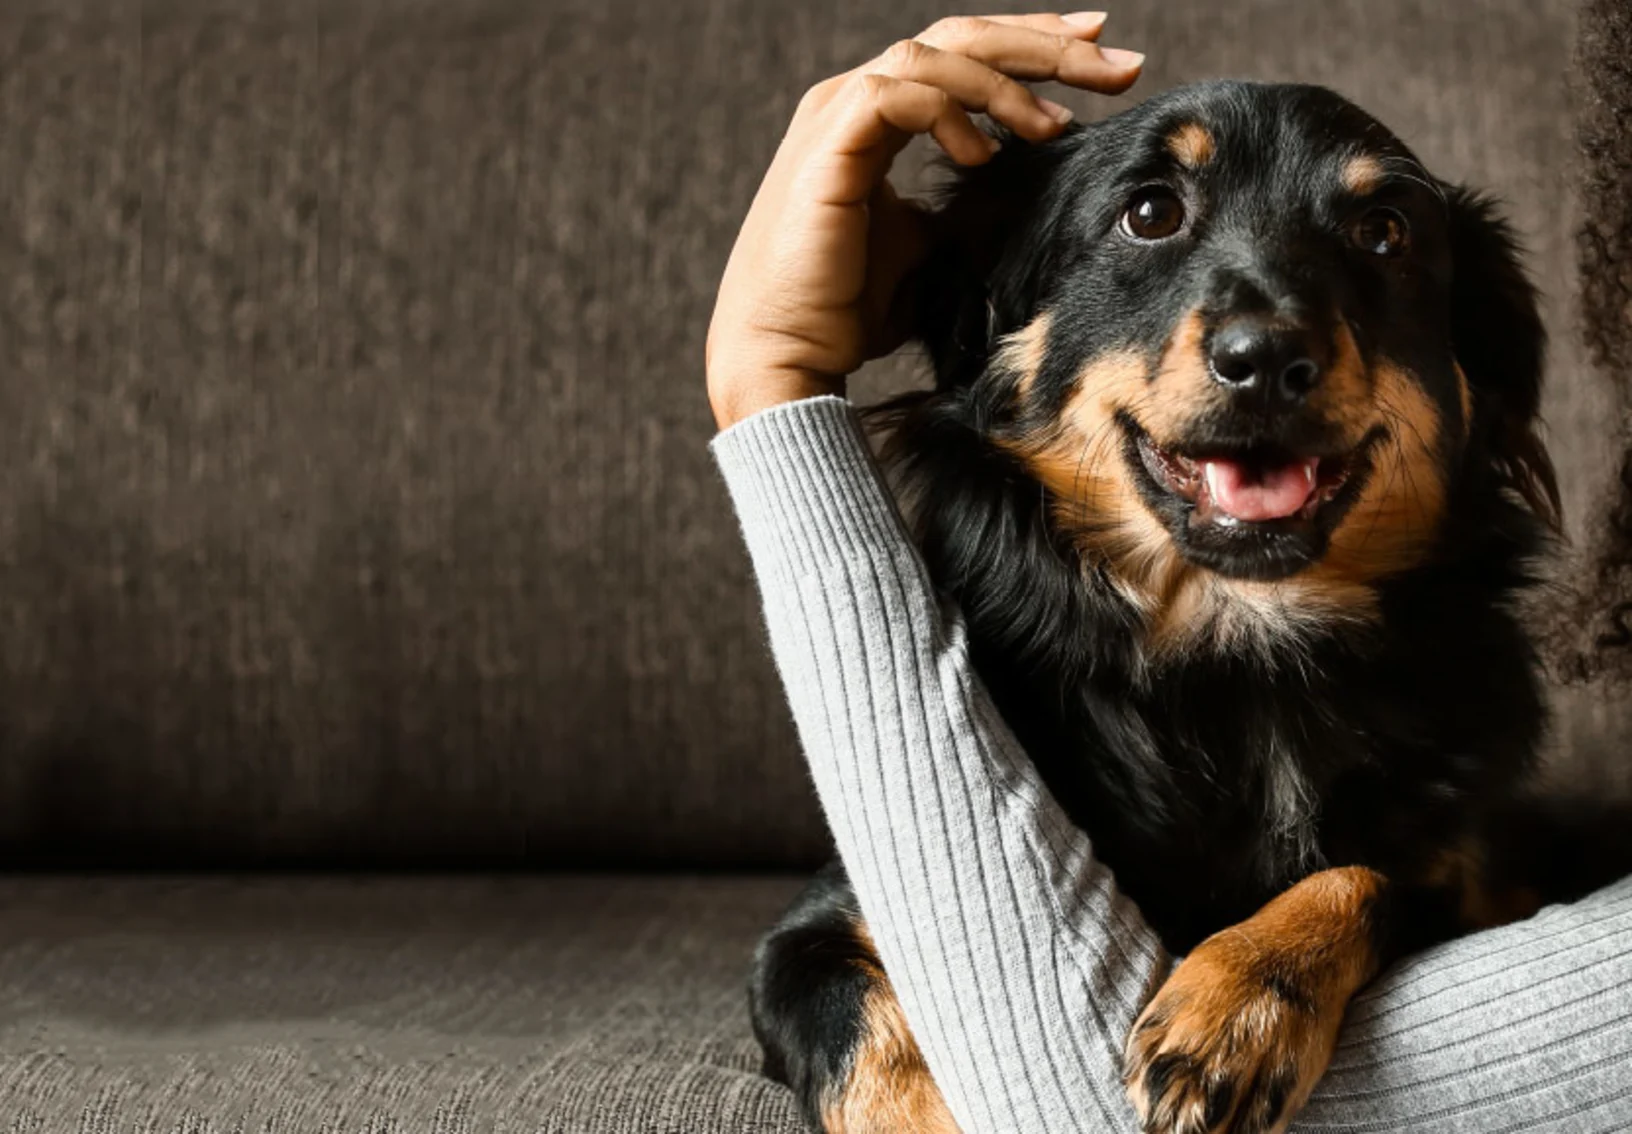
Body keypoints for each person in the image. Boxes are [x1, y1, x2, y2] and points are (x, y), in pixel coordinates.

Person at [705, 12, 1632, 1132]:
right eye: (1151, 214)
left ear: (1477, 398)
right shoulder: (995, 704)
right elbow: (820, 959)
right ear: (1001, 341)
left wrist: (1339, 916)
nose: (1271, 338)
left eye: (1379, 237)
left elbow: (1071, 1108)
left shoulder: (1461, 779)